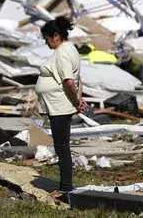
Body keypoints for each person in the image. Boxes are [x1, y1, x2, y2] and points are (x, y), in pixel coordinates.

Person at [35, 16, 87, 201]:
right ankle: (65, 186)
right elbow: (78, 79)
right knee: (62, 147)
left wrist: (75, 102)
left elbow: (69, 81)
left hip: (60, 107)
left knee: (62, 148)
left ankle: (65, 189)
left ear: (56, 36)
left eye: (47, 38)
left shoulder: (63, 52)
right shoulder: (68, 49)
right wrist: (79, 99)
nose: (46, 42)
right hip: (58, 105)